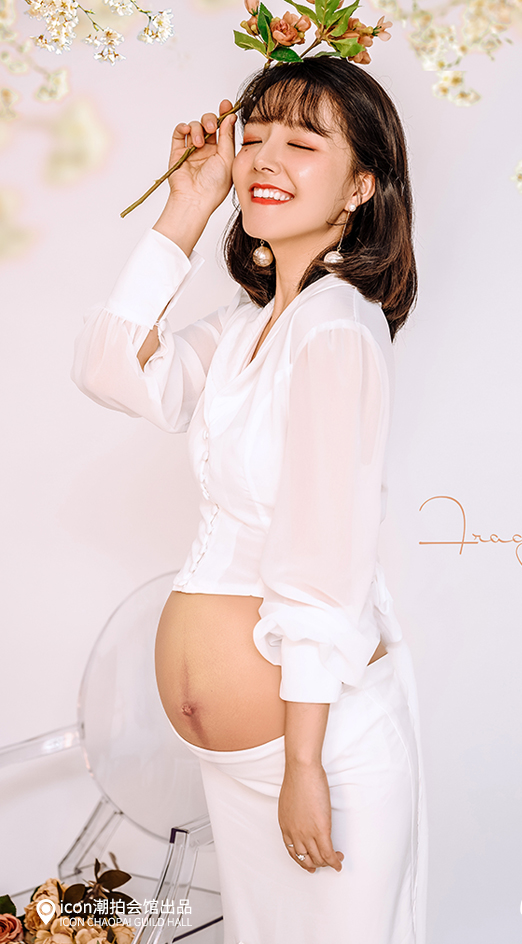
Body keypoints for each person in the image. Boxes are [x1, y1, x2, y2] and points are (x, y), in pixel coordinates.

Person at [72, 56, 428, 944]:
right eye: (255, 136)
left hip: (318, 753)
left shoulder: (338, 325)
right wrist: (188, 205)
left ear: (362, 186)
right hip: (244, 765)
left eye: (303, 143)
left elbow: (326, 557)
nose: (266, 157)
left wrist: (303, 764)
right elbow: (111, 369)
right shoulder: (245, 327)